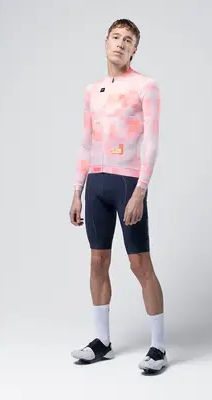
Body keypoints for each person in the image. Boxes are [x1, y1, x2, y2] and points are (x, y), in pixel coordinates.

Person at [69, 18, 167, 373]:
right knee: (97, 262)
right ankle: (102, 342)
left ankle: (158, 347)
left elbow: (152, 142)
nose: (121, 44)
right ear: (106, 41)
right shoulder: (91, 90)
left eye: (128, 40)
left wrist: (141, 190)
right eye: (116, 37)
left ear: (134, 50)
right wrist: (77, 191)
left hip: (127, 183)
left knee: (139, 264)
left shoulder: (145, 86)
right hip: (96, 184)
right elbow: (85, 142)